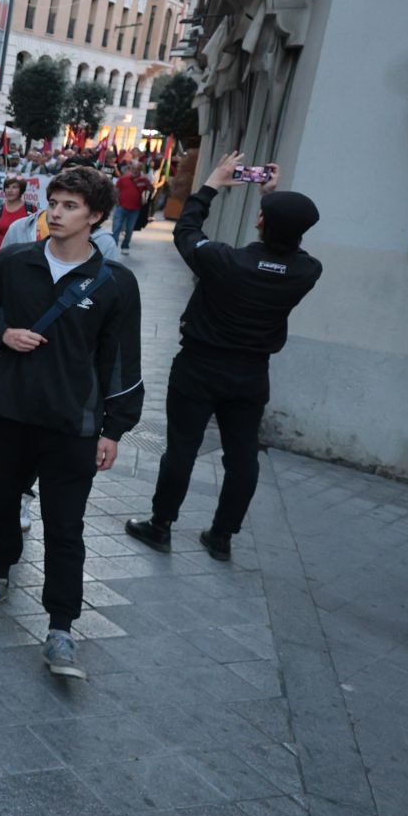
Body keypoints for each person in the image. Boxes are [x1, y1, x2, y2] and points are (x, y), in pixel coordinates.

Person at [0, 165, 142, 680]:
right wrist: (3, 333)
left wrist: (113, 429)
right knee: (2, 503)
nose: (55, 213)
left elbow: (122, 363)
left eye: (70, 206)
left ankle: (61, 628)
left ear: (97, 216)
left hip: (71, 426)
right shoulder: (15, 261)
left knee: (65, 527)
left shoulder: (116, 283)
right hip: (7, 414)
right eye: (53, 203)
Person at [124, 154, 321, 562]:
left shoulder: (226, 261)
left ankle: (161, 525)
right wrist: (274, 198)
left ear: (261, 223)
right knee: (242, 455)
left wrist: (212, 182)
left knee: (181, 447)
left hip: (199, 365)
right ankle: (221, 536)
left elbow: (186, 230)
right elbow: (289, 246)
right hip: (251, 374)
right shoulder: (307, 271)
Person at [112, 162, 148, 253]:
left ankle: (125, 246)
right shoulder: (123, 179)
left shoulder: (143, 180)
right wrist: (117, 202)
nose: (135, 171)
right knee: (116, 227)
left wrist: (147, 182)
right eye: (134, 169)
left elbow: (151, 190)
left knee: (129, 229)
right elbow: (116, 190)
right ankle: (113, 246)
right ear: (131, 169)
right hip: (121, 207)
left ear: (140, 170)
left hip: (135, 208)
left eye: (138, 169)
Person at [0, 177, 30, 251]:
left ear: (21, 190)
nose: (10, 190)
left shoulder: (30, 209)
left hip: (22, 254)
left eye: (14, 187)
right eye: (7, 187)